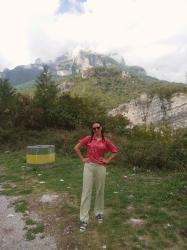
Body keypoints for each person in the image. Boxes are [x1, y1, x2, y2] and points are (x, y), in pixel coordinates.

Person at [74, 122, 118, 232]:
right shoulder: (88, 139)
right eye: (94, 128)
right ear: (92, 130)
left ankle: (98, 213)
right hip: (88, 166)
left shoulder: (105, 141)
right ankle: (84, 219)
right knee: (86, 191)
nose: (96, 130)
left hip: (100, 167)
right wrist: (82, 159)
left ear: (101, 128)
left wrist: (107, 160)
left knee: (100, 191)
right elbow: (76, 148)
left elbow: (115, 151)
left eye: (98, 128)